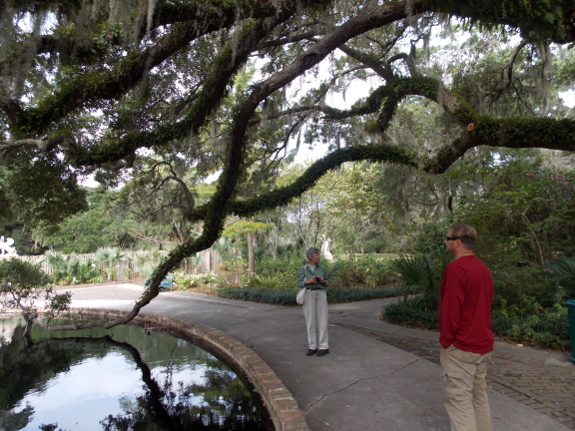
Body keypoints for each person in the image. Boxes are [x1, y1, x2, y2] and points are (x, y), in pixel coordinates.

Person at [439, 224, 494, 431]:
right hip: (482, 344)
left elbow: (451, 311)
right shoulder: (482, 268)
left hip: (461, 347)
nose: (445, 241)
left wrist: (447, 342)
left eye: (447, 238)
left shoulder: (456, 268)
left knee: (459, 402)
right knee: (479, 398)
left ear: (458, 242)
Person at [297, 247, 329, 356]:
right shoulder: (304, 269)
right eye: (316, 255)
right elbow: (299, 283)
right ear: (310, 257)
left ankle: (324, 346)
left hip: (320, 292)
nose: (318, 257)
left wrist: (323, 281)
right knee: (310, 320)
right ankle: (312, 346)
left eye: (318, 254)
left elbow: (327, 282)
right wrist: (308, 281)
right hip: (309, 293)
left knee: (322, 319)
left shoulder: (322, 268)